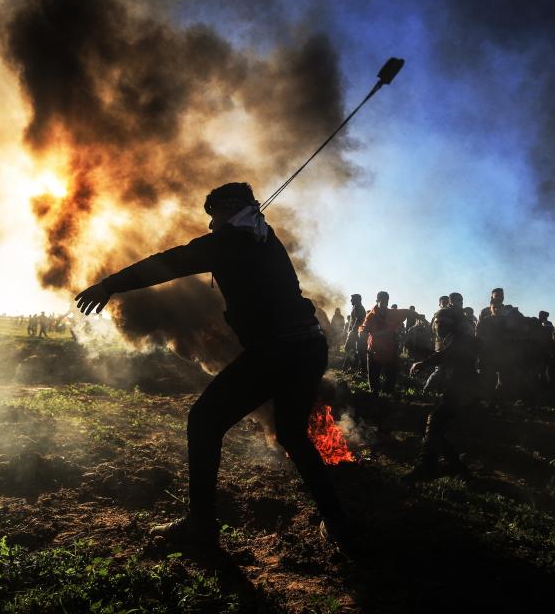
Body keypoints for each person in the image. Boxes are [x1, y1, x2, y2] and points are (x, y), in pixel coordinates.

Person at [74, 182, 353, 553]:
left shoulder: (232, 241)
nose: (210, 226)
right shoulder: (264, 237)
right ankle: (336, 522)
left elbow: (169, 263)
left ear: (229, 209)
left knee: (204, 421)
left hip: (277, 349)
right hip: (308, 346)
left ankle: (201, 527)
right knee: (291, 433)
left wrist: (109, 285)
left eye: (213, 215)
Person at [410, 292, 478, 477]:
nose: (438, 326)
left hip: (464, 389)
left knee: (434, 419)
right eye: (437, 322)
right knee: (428, 423)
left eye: (442, 322)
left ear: (451, 324)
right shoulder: (451, 337)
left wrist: (423, 364)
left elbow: (448, 355)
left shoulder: (460, 339)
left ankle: (427, 466)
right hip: (458, 387)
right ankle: (455, 466)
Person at [359, 291, 407, 396]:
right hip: (374, 348)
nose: (384, 303)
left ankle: (388, 392)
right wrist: (363, 333)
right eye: (382, 300)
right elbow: (364, 329)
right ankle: (374, 392)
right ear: (377, 300)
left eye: (386, 301)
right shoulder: (371, 315)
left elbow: (407, 312)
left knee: (391, 373)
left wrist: (420, 317)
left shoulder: (392, 313)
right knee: (373, 373)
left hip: (389, 348)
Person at [342, 294, 366, 373]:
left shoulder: (359, 308)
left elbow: (358, 321)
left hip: (356, 333)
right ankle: (354, 367)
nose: (351, 300)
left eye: (352, 299)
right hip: (355, 332)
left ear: (356, 300)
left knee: (352, 349)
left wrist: (352, 331)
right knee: (353, 350)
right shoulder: (356, 307)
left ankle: (355, 368)